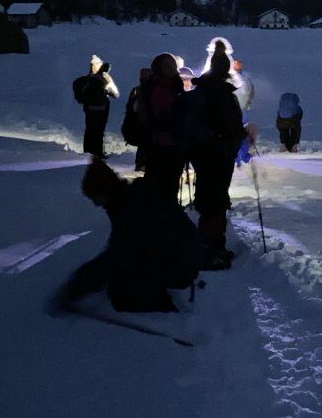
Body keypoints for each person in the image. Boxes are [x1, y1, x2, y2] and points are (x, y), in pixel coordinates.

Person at [50, 160, 201, 315]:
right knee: (120, 274)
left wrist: (77, 286)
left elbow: (118, 254)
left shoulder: (129, 208)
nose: (95, 204)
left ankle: (160, 303)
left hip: (181, 264)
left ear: (104, 190)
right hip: (182, 254)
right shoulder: (131, 198)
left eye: (95, 197)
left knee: (121, 292)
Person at [184, 43, 254, 269]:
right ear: (225, 70)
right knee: (216, 198)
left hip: (202, 153)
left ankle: (208, 243)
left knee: (208, 196)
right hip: (219, 154)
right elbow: (231, 125)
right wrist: (242, 134)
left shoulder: (198, 93)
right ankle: (212, 247)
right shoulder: (224, 95)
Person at [129, 53, 186, 203]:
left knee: (160, 185)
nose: (171, 69)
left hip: (159, 144)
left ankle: (159, 216)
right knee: (165, 186)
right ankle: (164, 217)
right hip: (164, 144)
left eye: (172, 66)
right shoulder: (163, 88)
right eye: (168, 66)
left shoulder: (153, 87)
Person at [73, 55, 119, 158]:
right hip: (102, 107)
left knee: (90, 129)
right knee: (99, 131)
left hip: (89, 107)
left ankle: (89, 151)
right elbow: (116, 94)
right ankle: (98, 152)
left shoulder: (86, 79)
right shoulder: (105, 78)